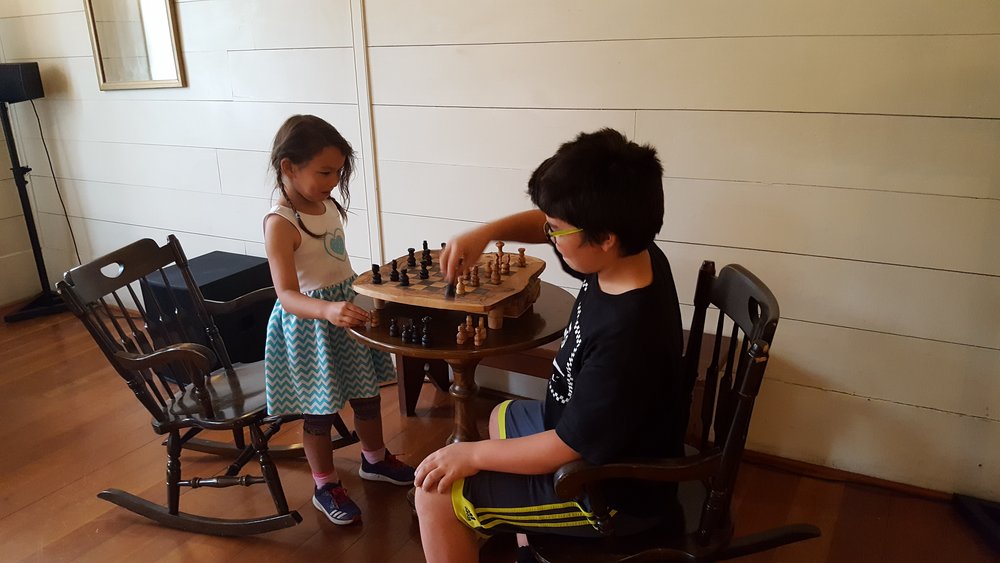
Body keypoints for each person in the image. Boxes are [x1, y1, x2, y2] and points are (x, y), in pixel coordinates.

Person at [413, 129, 687, 562]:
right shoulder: (632, 253)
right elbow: (561, 221)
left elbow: (564, 447)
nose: (549, 234)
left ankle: (527, 527)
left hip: (609, 493)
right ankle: (528, 540)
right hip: (589, 437)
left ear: (604, 237)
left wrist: (470, 455)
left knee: (434, 494)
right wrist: (486, 233)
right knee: (501, 415)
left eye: (556, 230)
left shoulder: (628, 336)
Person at [263, 114, 415, 526]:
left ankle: (375, 459)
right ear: (288, 167)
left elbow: (334, 264)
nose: (333, 180)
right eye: (324, 172)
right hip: (311, 327)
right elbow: (287, 295)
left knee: (367, 396)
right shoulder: (280, 223)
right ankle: (324, 483)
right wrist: (328, 309)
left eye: (338, 172)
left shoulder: (326, 204)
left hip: (345, 313)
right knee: (319, 411)